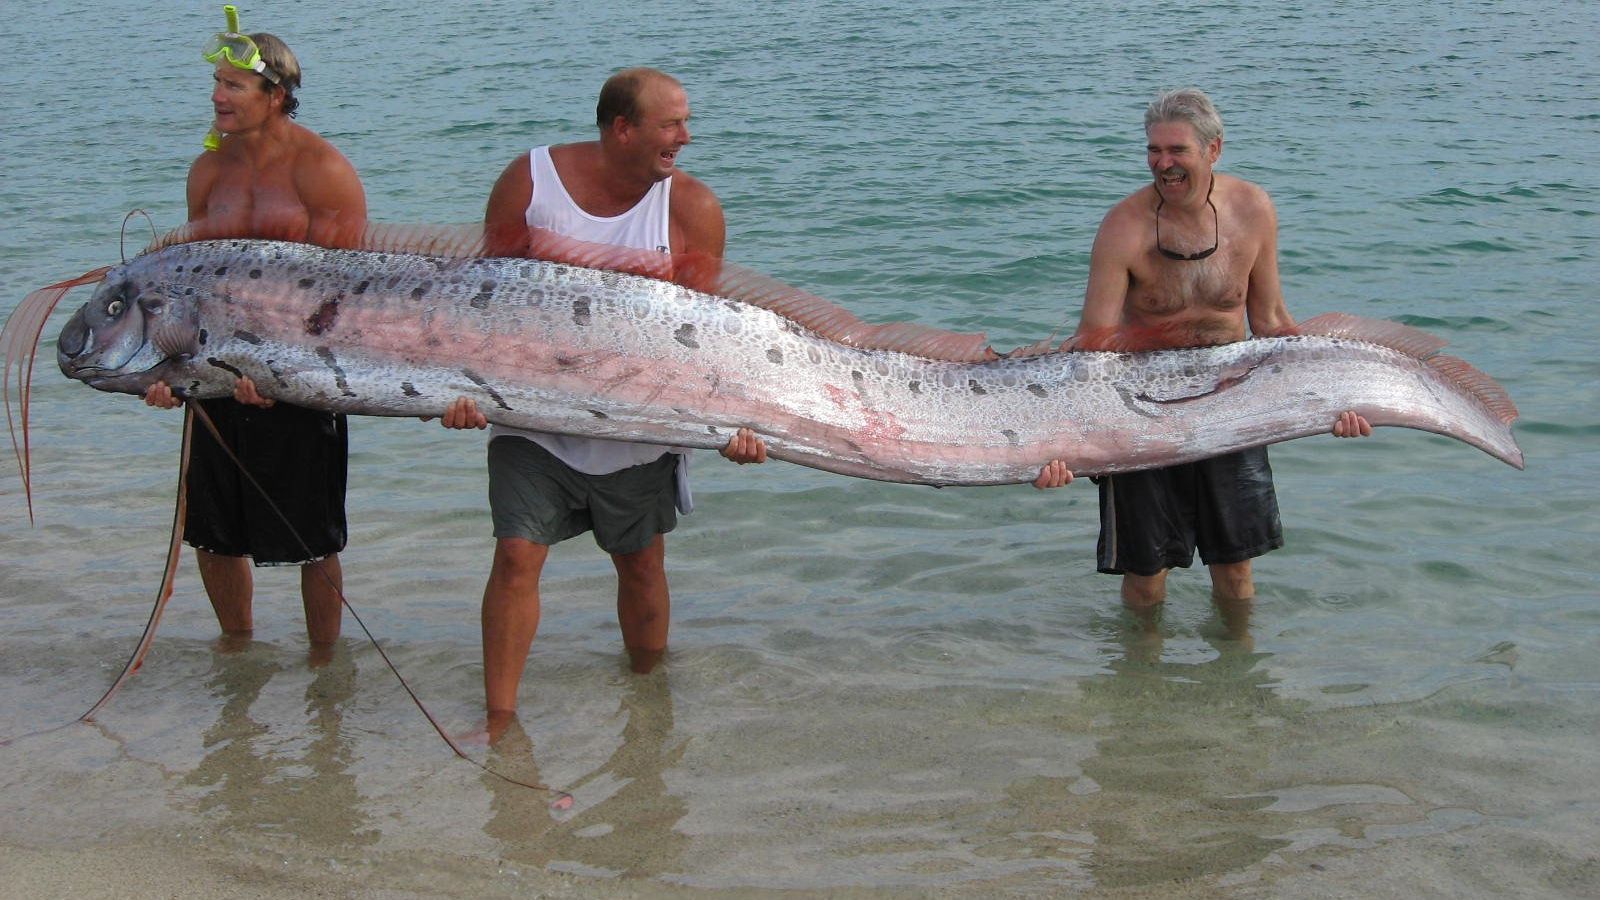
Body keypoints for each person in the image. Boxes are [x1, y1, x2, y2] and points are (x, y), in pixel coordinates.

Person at [439, 68, 767, 719]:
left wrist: (737, 424)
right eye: (671, 123)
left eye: (686, 121)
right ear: (622, 129)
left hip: (639, 433)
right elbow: (484, 305)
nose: (686, 136)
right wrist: (459, 391)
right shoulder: (529, 183)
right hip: (533, 422)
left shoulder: (691, 209)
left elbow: (705, 336)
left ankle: (649, 715)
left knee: (640, 567)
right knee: (513, 556)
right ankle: (499, 721)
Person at [1035, 87, 1370, 610]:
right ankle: (1137, 686)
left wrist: (1337, 400)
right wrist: (1065, 446)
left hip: (1233, 402)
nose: (1162, 164)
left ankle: (1242, 684)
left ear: (1214, 150)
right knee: (1146, 576)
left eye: (1176, 151)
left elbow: (1273, 324)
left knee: (1235, 571)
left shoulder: (1252, 209)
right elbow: (1093, 351)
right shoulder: (1123, 227)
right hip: (1142, 409)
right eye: (1153, 151)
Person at [143, 7, 368, 651]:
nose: (217, 96)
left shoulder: (319, 168)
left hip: (298, 376)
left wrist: (277, 376)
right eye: (215, 82)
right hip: (214, 378)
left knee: (314, 539)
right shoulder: (207, 171)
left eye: (233, 86)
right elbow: (190, 291)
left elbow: (345, 299)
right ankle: (238, 654)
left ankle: (326, 664)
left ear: (276, 96)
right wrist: (167, 374)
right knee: (212, 534)